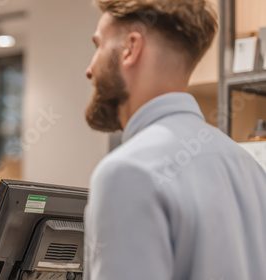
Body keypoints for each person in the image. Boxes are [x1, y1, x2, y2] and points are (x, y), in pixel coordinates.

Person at [82, 0, 266, 279]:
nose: (89, 69)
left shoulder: (127, 172)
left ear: (129, 49)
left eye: (98, 46)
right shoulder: (250, 169)